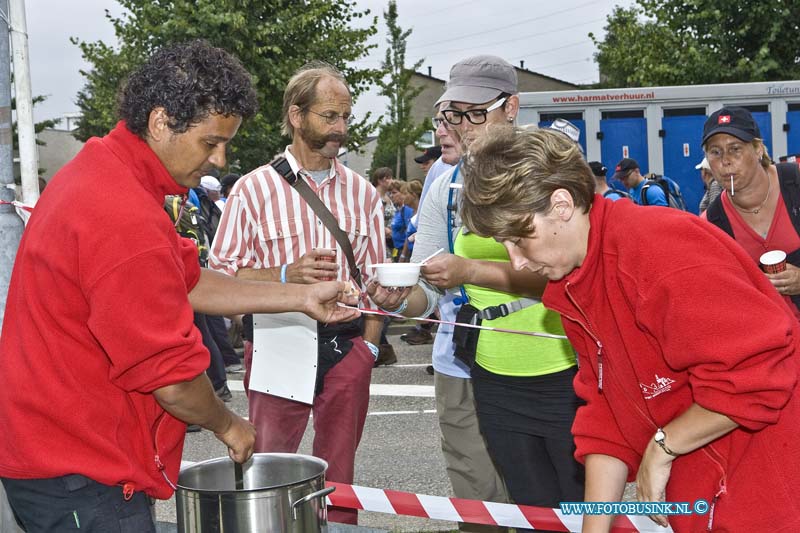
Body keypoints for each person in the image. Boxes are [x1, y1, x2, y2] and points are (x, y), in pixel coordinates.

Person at [0, 40, 360, 533]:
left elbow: (187, 281)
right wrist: (229, 424)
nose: (219, 158)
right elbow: (173, 380)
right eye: (210, 142)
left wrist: (300, 296)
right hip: (80, 472)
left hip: (66, 459)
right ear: (161, 121)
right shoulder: (123, 215)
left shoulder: (107, 171)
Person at [459, 126, 800, 533]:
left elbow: (754, 377)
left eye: (518, 238)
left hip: (774, 493)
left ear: (562, 204)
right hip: (709, 502)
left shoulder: (658, 248)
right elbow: (606, 418)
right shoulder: (574, 284)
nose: (515, 262)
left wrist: (662, 447)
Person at [370, 55, 579, 532]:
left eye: (474, 113)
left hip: (560, 362)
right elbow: (426, 284)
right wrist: (397, 298)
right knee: (491, 505)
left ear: (512, 108)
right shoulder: (444, 185)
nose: (461, 127)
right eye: (451, 114)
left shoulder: (552, 171)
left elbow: (574, 274)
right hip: (475, 362)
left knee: (570, 503)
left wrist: (472, 270)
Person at [209, 60, 385, 525]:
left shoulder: (364, 193)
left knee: (340, 476)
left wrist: (369, 343)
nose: (341, 129)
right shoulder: (253, 189)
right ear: (296, 115)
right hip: (277, 339)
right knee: (269, 465)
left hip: (348, 345)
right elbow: (218, 276)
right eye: (330, 116)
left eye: (346, 117)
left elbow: (375, 279)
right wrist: (284, 274)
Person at [703, 106, 800, 320]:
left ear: (758, 149)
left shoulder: (795, 184)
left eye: (735, 149)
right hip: (773, 343)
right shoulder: (712, 223)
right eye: (715, 152)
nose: (725, 161)